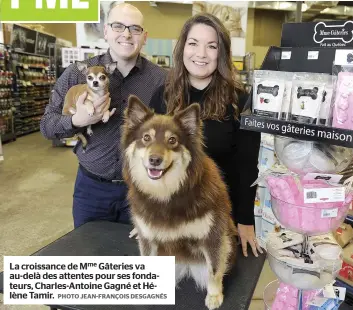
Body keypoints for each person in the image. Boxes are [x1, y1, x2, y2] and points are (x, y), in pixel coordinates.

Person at [40, 3, 167, 229]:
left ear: (144, 37)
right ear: (106, 31)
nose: (126, 34)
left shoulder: (161, 80)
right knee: (90, 255)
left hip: (142, 190)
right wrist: (75, 121)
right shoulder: (77, 74)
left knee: (141, 260)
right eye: (118, 26)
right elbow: (47, 126)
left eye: (135, 29)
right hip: (91, 190)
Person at [149, 13, 263, 258]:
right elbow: (150, 160)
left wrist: (244, 220)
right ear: (182, 48)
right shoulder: (163, 96)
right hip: (170, 214)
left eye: (211, 46)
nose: (201, 54)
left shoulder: (240, 101)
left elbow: (246, 166)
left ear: (221, 53)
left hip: (218, 215)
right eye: (193, 43)